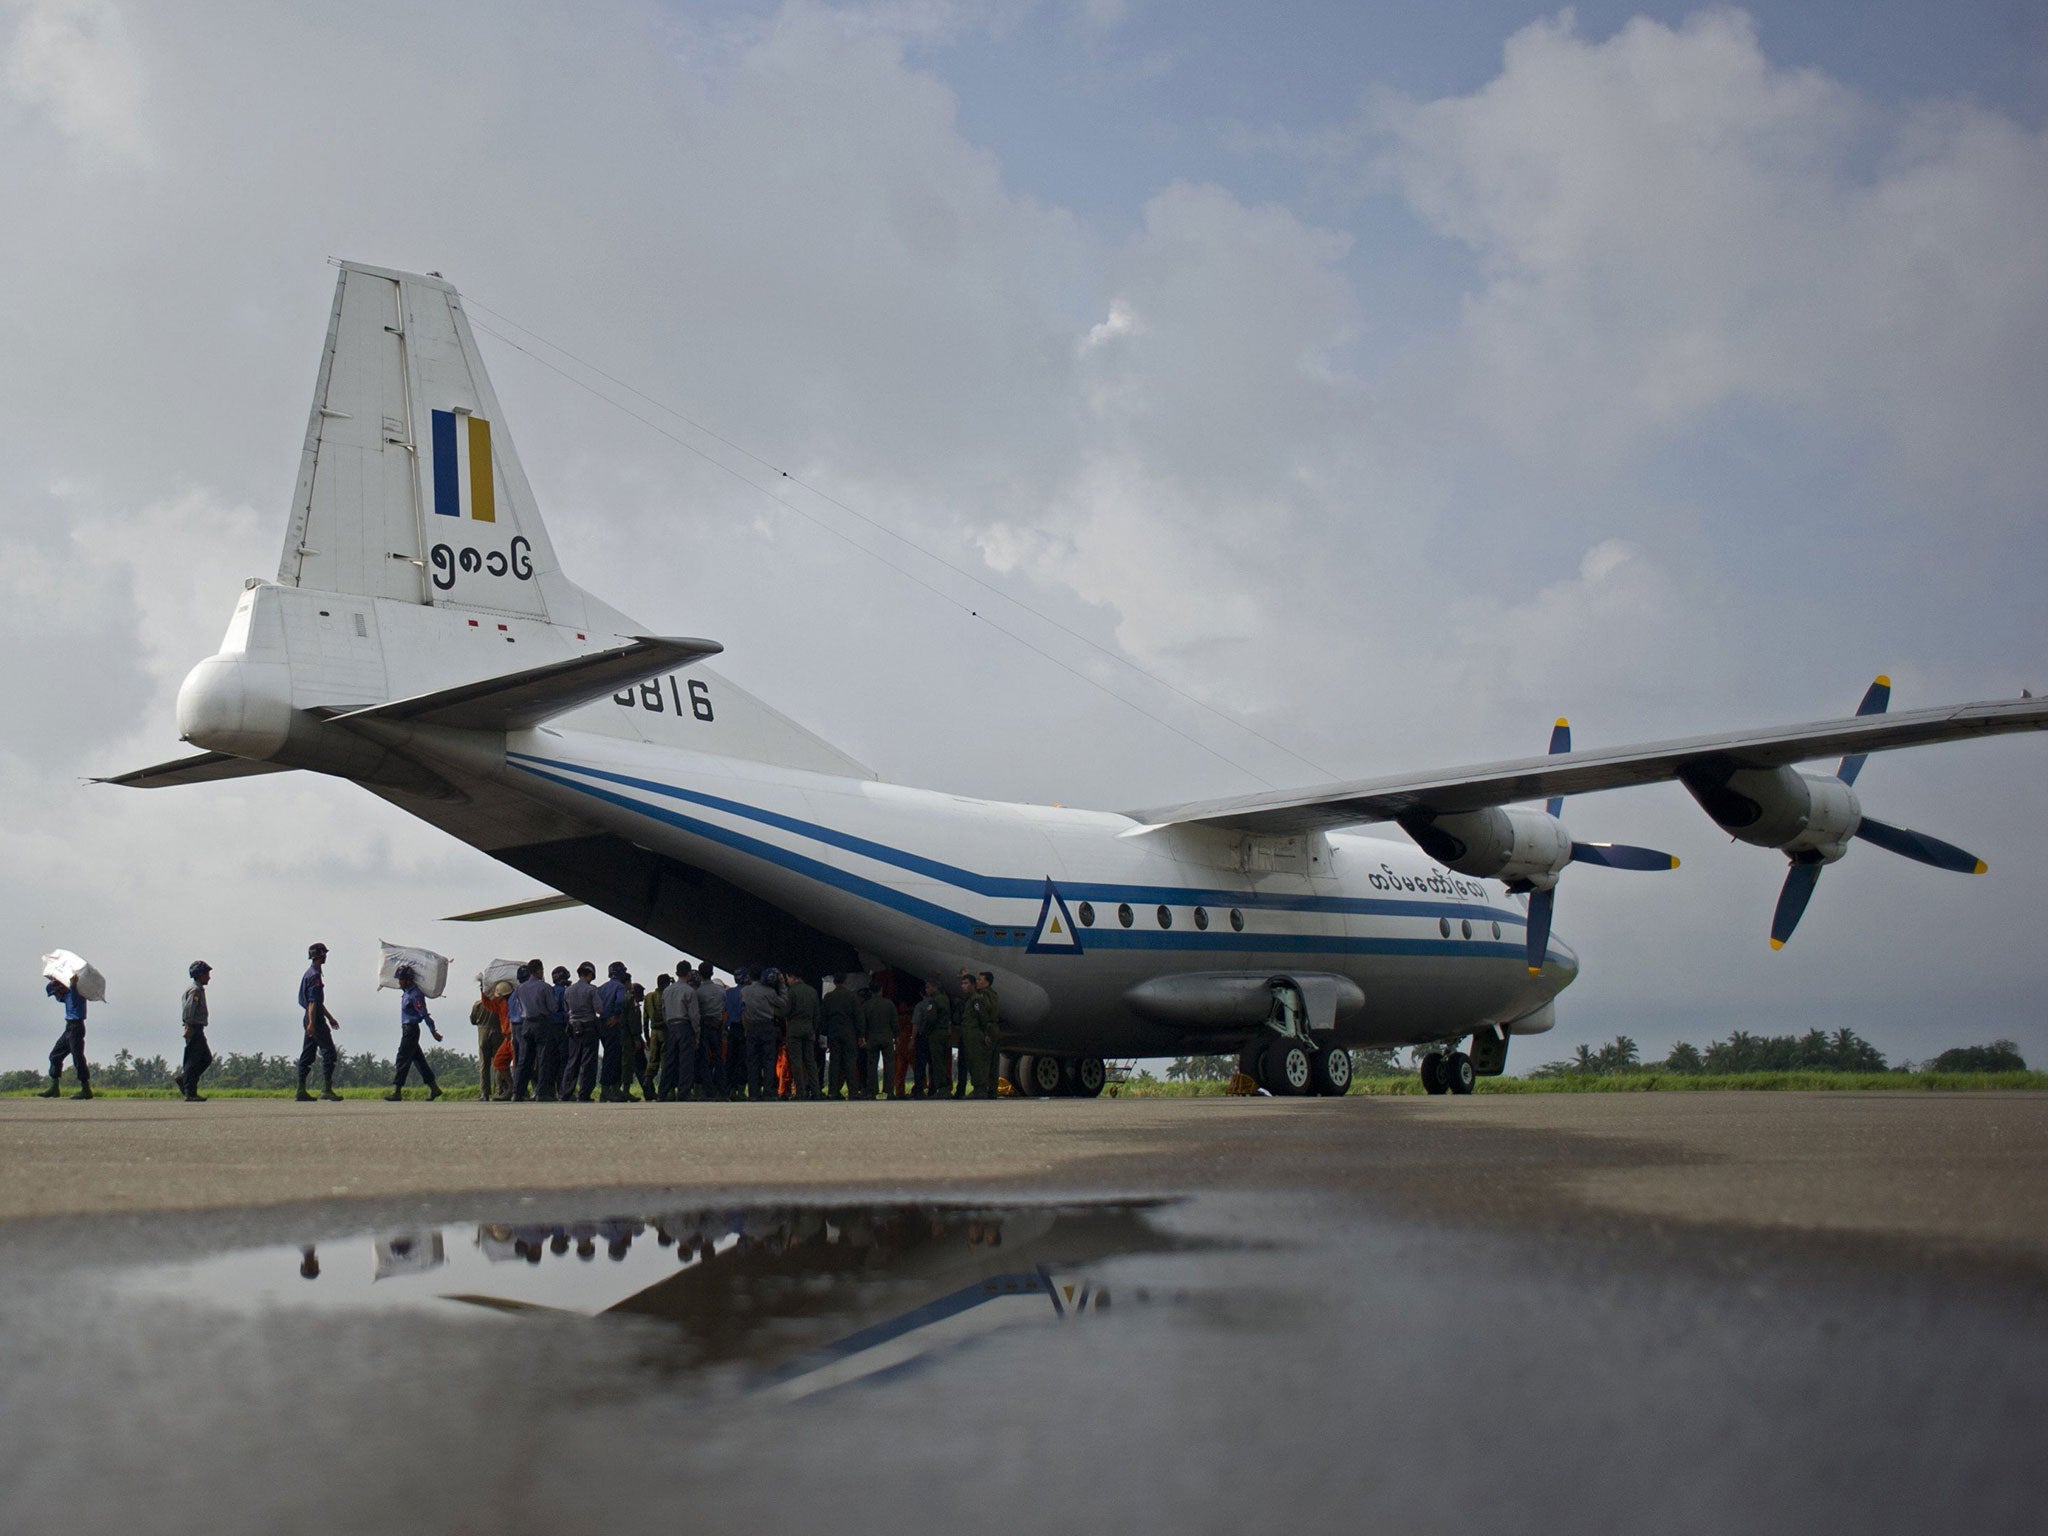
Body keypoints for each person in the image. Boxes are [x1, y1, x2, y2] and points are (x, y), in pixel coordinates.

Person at [385, 963, 445, 1101]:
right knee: (419, 1061)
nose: (399, 982)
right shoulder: (406, 992)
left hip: (411, 1030)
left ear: (408, 979)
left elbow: (424, 1014)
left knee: (402, 1058)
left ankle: (397, 1091)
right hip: (406, 1029)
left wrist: (433, 1030)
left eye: (401, 979)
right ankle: (434, 1088)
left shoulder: (416, 995)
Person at [295, 942, 343, 1103]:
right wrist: (312, 1023)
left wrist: (330, 1017)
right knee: (329, 1052)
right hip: (314, 1019)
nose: (325, 957)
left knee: (308, 1053)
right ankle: (326, 1089)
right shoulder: (314, 976)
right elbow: (313, 1003)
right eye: (324, 954)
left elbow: (315, 1002)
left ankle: (301, 1089)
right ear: (319, 955)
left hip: (311, 1017)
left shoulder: (309, 973)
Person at [39, 975, 92, 1099]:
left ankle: (86, 1089)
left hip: (76, 1027)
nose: (56, 996)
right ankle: (54, 1087)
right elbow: (61, 997)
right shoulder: (66, 996)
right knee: (55, 1055)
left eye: (56, 993)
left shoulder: (75, 993)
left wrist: (73, 983)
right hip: (69, 1028)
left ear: (61, 989)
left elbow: (73, 987)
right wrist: (54, 978)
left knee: (78, 1057)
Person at [739, 967, 788, 1101]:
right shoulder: (770, 991)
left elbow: (743, 1012)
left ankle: (753, 1093)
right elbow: (783, 1003)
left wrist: (746, 1028)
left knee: (752, 1061)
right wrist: (782, 985)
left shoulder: (744, 991)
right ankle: (768, 1091)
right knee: (769, 1060)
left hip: (751, 1027)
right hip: (767, 1025)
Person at [510, 964, 553, 1101]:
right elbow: (553, 1007)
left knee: (524, 1059)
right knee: (543, 1058)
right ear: (539, 970)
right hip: (541, 1022)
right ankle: (541, 1092)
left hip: (526, 1023)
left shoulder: (520, 988)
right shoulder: (544, 987)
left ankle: (517, 1092)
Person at [658, 964, 699, 1100]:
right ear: (688, 974)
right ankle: (683, 1093)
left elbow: (663, 1011)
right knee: (685, 1062)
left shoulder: (667, 991)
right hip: (685, 1026)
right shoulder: (689, 991)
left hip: (671, 1027)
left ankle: (662, 1092)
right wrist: (696, 1033)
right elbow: (694, 1015)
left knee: (669, 1061)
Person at [174, 961, 214, 1102]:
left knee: (205, 1059)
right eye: (207, 974)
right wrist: (189, 1025)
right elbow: (189, 1009)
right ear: (200, 975)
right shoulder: (195, 990)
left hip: (198, 1028)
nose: (209, 977)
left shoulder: (198, 989)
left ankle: (185, 1081)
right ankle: (190, 1092)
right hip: (194, 1027)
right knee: (192, 1060)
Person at [562, 962, 602, 1102]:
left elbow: (566, 1008)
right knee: (588, 1062)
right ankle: (584, 1094)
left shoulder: (568, 990)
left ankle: (566, 1093)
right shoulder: (591, 990)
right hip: (589, 1027)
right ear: (590, 974)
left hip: (573, 1028)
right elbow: (599, 1009)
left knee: (572, 1060)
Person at [597, 962, 634, 1103]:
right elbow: (620, 1001)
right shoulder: (619, 986)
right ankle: (610, 1090)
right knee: (614, 1059)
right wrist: (616, 1016)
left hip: (602, 1023)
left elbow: (598, 1002)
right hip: (613, 1023)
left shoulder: (603, 987)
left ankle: (608, 1090)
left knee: (608, 1056)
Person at [783, 966, 821, 1101]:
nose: (787, 981)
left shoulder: (792, 992)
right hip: (809, 1030)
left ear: (793, 977)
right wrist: (814, 1030)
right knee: (810, 1061)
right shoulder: (812, 991)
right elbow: (817, 1014)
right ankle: (816, 1091)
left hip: (794, 1030)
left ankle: (800, 1092)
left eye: (788, 978)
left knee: (797, 1062)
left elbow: (786, 1011)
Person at [821, 974, 860, 1100]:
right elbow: (858, 1016)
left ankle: (833, 1091)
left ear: (834, 982)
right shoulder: (852, 996)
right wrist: (861, 1034)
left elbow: (824, 1016)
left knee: (834, 1062)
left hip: (833, 1032)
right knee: (850, 1062)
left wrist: (824, 1032)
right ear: (845, 982)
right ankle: (853, 1091)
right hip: (849, 1032)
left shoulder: (828, 997)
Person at [860, 983, 900, 1100]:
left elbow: (863, 1023)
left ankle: (872, 1091)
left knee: (872, 1065)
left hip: (872, 1038)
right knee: (889, 1064)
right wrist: (897, 1035)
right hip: (887, 1037)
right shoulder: (889, 1004)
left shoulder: (866, 1005)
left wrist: (862, 1036)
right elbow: (894, 1021)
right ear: (881, 990)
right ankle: (889, 1091)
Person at [693, 967, 729, 1099]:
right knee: (718, 1058)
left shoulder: (698, 992)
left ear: (700, 975)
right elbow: (724, 1007)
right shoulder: (721, 991)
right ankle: (723, 1091)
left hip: (704, 1025)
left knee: (704, 1059)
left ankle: (708, 1091)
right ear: (712, 973)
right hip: (717, 1025)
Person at [911, 978, 949, 1100]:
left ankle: (920, 1089)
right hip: (942, 1033)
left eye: (929, 987)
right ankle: (934, 1089)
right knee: (936, 1063)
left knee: (921, 1064)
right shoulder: (945, 999)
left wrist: (915, 1037)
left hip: (929, 1035)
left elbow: (919, 1022)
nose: (927, 990)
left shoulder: (927, 1004)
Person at [470, 978, 507, 1101]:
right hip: (498, 1034)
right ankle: (499, 1090)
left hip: (483, 1035)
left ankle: (484, 1094)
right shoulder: (497, 1004)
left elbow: (472, 1020)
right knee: (499, 1064)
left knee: (484, 1065)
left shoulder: (477, 1005)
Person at [722, 970, 748, 1100]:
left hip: (731, 1028)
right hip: (743, 1028)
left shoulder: (728, 993)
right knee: (743, 1061)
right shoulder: (747, 992)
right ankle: (741, 1090)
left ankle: (729, 1089)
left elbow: (724, 1011)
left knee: (730, 1060)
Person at [645, 975, 671, 1094]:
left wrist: (646, 1037)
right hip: (666, 1031)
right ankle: (665, 1090)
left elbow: (644, 1019)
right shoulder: (667, 995)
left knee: (653, 1060)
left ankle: (648, 1082)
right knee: (666, 1062)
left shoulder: (648, 997)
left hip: (653, 1032)